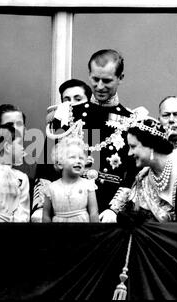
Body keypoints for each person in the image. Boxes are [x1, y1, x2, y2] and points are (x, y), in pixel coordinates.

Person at [47, 50, 138, 220]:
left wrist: (115, 209)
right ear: (89, 74)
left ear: (121, 78)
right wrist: (40, 208)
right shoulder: (67, 115)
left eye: (107, 80)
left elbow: (134, 173)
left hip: (109, 213)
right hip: (66, 210)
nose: (100, 86)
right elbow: (46, 166)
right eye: (95, 79)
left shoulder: (131, 120)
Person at [33, 79, 93, 222]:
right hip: (58, 204)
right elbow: (44, 172)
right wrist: (41, 207)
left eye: (78, 99)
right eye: (66, 100)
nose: (71, 103)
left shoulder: (97, 130)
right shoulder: (57, 131)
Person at [42, 136, 99, 223]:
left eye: (81, 158)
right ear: (60, 163)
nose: (78, 161)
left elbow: (94, 213)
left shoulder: (88, 185)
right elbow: (46, 215)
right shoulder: (51, 188)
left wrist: (96, 235)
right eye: (73, 157)